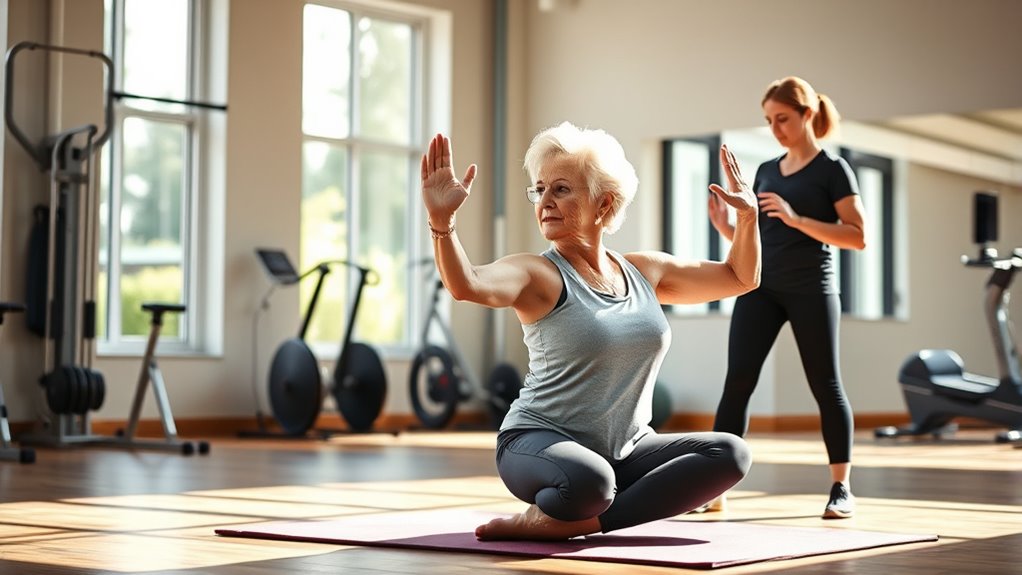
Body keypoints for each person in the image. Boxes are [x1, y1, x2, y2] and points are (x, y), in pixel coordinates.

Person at [420, 122, 761, 541]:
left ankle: (570, 523)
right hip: (537, 442)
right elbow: (466, 283)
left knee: (730, 453)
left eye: (561, 189)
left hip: (628, 450)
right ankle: (566, 514)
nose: (545, 200)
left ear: (604, 204)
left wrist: (748, 218)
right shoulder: (537, 273)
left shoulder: (643, 272)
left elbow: (740, 277)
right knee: (592, 484)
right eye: (539, 189)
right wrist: (442, 222)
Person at [708, 76, 867, 519]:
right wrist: (727, 227)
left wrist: (799, 220)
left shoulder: (833, 170)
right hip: (761, 288)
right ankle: (715, 487)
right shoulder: (766, 170)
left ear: (807, 115)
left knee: (826, 385)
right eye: (769, 121)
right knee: (738, 381)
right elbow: (759, 236)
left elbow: (859, 236)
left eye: (782, 119)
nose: (775, 128)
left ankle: (841, 487)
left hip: (811, 289)